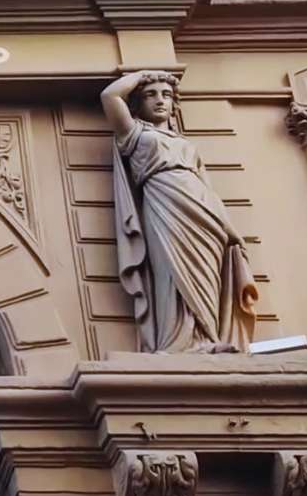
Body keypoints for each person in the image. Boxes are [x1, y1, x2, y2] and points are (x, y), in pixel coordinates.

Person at [101, 69, 259, 353]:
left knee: (208, 274)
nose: (160, 101)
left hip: (203, 210)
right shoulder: (135, 133)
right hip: (165, 204)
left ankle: (208, 338)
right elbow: (109, 95)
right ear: (137, 104)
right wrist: (143, 74)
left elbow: (208, 188)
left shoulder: (186, 144)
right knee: (171, 271)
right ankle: (180, 343)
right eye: (151, 95)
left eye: (167, 95)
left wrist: (229, 229)